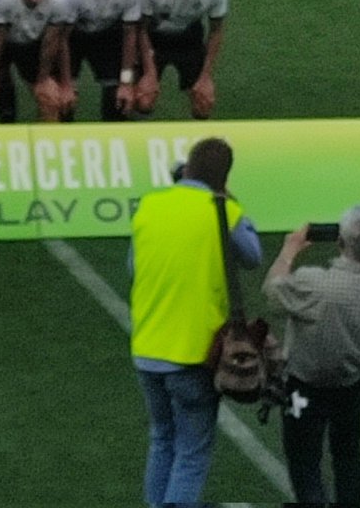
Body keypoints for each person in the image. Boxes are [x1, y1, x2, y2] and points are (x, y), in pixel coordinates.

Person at [130, 137, 262, 508]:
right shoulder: (223, 212)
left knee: (161, 438)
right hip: (193, 352)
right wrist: (230, 203)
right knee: (192, 450)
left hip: (146, 346)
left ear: (187, 166)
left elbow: (133, 266)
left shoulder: (148, 206)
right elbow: (253, 256)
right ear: (224, 178)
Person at [263, 207, 360, 506]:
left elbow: (272, 290)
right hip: (352, 383)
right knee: (347, 451)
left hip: (304, 383)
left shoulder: (311, 282)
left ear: (341, 241)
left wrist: (288, 252)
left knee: (303, 458)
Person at [136, 0, 228, 121]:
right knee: (143, 100)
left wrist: (205, 76)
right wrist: (149, 72)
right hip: (154, 39)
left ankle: (201, 144)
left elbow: (216, 31)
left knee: (204, 102)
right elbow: (141, 29)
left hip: (189, 38)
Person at [55, 0, 141, 122]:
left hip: (106, 37)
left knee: (117, 100)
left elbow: (130, 34)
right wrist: (66, 83)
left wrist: (126, 81)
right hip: (74, 39)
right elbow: (62, 38)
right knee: (63, 102)